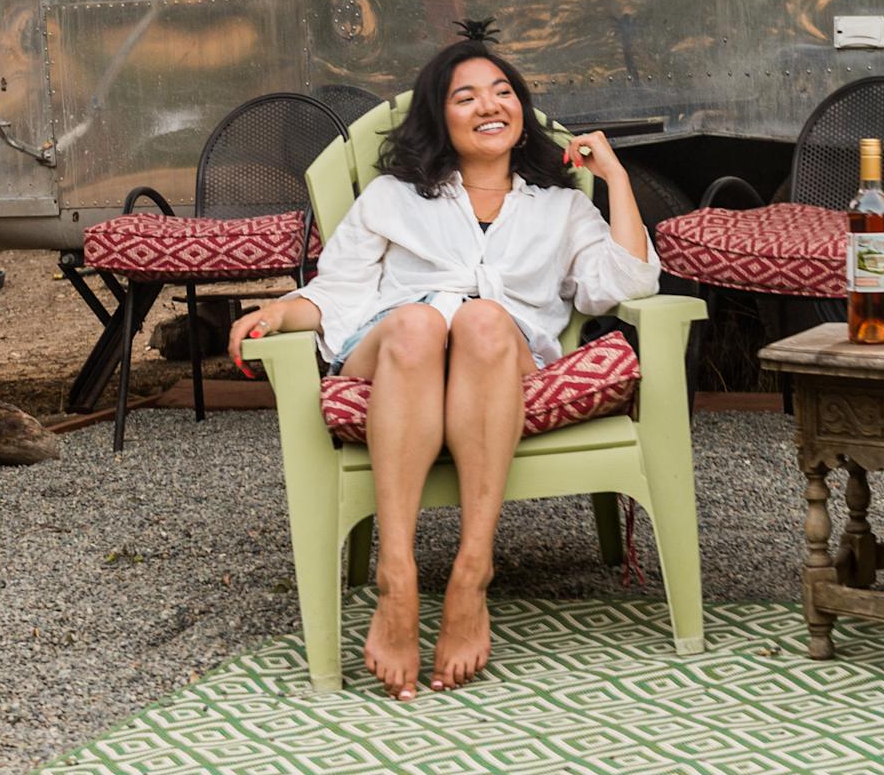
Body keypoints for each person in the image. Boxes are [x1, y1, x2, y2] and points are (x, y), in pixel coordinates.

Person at [230, 41, 654, 696]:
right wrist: (282, 313)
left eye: (503, 92)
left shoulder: (560, 207)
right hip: (394, 347)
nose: (490, 105)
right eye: (467, 97)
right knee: (421, 322)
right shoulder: (393, 198)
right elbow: (338, 288)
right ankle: (397, 576)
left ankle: (470, 572)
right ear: (440, 117)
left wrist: (616, 179)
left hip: (499, 357)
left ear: (523, 109)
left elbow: (622, 283)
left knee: (484, 319)